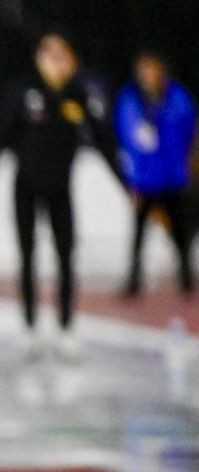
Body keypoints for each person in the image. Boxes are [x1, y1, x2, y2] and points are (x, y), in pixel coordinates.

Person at [0, 33, 125, 361]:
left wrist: (124, 183)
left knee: (66, 259)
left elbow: (103, 140)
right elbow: (1, 133)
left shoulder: (78, 93)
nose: (56, 59)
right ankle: (30, 328)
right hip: (26, 187)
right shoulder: (23, 90)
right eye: (50, 52)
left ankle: (65, 329)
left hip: (60, 187)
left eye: (63, 53)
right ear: (39, 56)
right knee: (28, 258)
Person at [114, 51, 196, 297]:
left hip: (172, 176)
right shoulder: (131, 100)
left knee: (180, 230)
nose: (148, 75)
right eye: (143, 69)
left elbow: (188, 130)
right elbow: (126, 133)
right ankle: (134, 279)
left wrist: (180, 158)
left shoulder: (177, 97)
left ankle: (186, 276)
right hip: (144, 179)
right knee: (139, 232)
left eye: (152, 69)